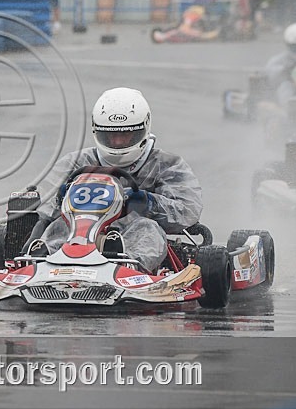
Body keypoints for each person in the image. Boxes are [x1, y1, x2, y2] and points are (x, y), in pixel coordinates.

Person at [26, 88, 203, 273]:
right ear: (97, 130)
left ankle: (126, 265)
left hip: (130, 232)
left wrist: (150, 202)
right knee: (59, 226)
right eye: (111, 135)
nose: (118, 142)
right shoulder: (76, 162)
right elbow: (44, 205)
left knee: (148, 228)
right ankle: (44, 264)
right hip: (78, 231)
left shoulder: (167, 165)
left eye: (125, 134)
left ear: (143, 128)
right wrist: (59, 199)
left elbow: (188, 210)